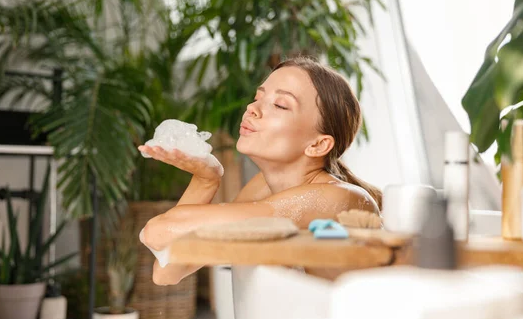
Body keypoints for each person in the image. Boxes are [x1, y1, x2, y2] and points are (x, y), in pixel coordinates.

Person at [139, 57, 382, 286]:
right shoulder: (264, 186)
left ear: (318, 145)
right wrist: (205, 180)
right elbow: (167, 271)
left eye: (280, 105)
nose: (252, 108)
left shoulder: (334, 198)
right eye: (258, 97)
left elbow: (157, 233)